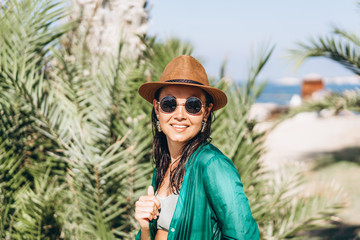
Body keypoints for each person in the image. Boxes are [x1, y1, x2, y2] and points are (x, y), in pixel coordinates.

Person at [135, 55, 259, 240]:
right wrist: (145, 227)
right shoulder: (163, 166)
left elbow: (244, 237)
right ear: (157, 108)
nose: (179, 115)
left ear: (206, 112)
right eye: (170, 104)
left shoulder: (212, 165)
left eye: (192, 106)